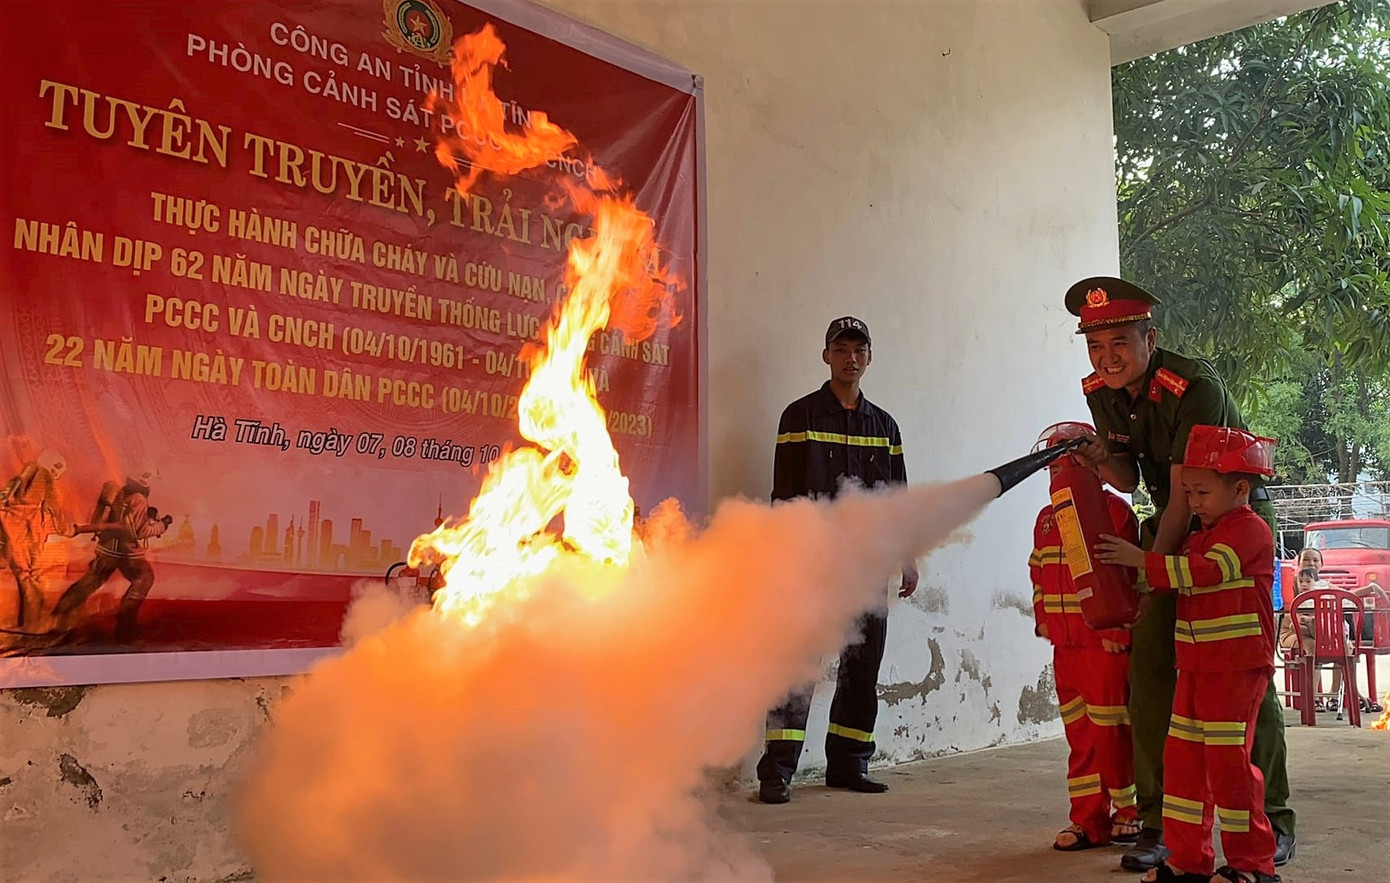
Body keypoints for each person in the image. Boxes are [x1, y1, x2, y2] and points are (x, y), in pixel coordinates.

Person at [1065, 276, 1295, 870]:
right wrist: (1096, 457)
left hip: (1229, 524)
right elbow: (1130, 478)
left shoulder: (1194, 386)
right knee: (1149, 669)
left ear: (1150, 338)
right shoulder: (1101, 390)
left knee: (1240, 670)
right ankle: (1158, 821)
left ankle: (1274, 819)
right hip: (1171, 521)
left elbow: (1185, 496)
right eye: (1095, 347)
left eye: (1120, 343)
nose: (1107, 358)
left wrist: (1150, 573)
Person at [1098, 425, 1282, 883]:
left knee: (1229, 769)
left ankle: (1251, 865)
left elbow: (1202, 573)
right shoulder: (1201, 534)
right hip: (1197, 670)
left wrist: (1142, 560)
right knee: (1183, 768)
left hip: (1235, 672)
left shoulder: (1249, 532)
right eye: (1187, 491)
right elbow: (1174, 577)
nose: (1193, 502)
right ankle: (1187, 862)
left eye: (1201, 492)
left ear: (1240, 489)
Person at [755, 316, 918, 804]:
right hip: (811, 565)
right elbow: (784, 492)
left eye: (859, 350)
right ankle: (777, 772)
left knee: (862, 667)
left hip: (867, 568)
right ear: (826, 355)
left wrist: (907, 556)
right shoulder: (799, 417)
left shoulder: (885, 426)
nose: (851, 358)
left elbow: (898, 497)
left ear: (869, 357)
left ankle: (849, 765)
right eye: (841, 349)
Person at [1029, 421, 1142, 851]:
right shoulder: (1046, 520)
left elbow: (1124, 577)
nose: (1057, 475)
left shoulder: (1113, 512)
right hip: (1066, 646)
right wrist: (1043, 617)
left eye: (1065, 465)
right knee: (1080, 737)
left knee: (1112, 731)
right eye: (1053, 469)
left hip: (1102, 645)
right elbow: (1038, 569)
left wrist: (1116, 628)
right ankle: (1087, 820)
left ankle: (1127, 811)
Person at [52, 465, 172, 641]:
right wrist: (162, 525)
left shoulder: (121, 493)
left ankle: (60, 615)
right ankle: (125, 628)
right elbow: (137, 531)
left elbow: (117, 520)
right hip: (126, 551)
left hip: (107, 547)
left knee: (92, 580)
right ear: (146, 479)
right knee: (144, 578)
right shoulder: (139, 499)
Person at [0, 450, 71, 629]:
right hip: (23, 537)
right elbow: (54, 508)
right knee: (31, 578)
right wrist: (67, 530)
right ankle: (31, 626)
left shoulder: (18, 480)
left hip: (12, 534)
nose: (57, 474)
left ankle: (28, 624)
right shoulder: (43, 474)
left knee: (25, 578)